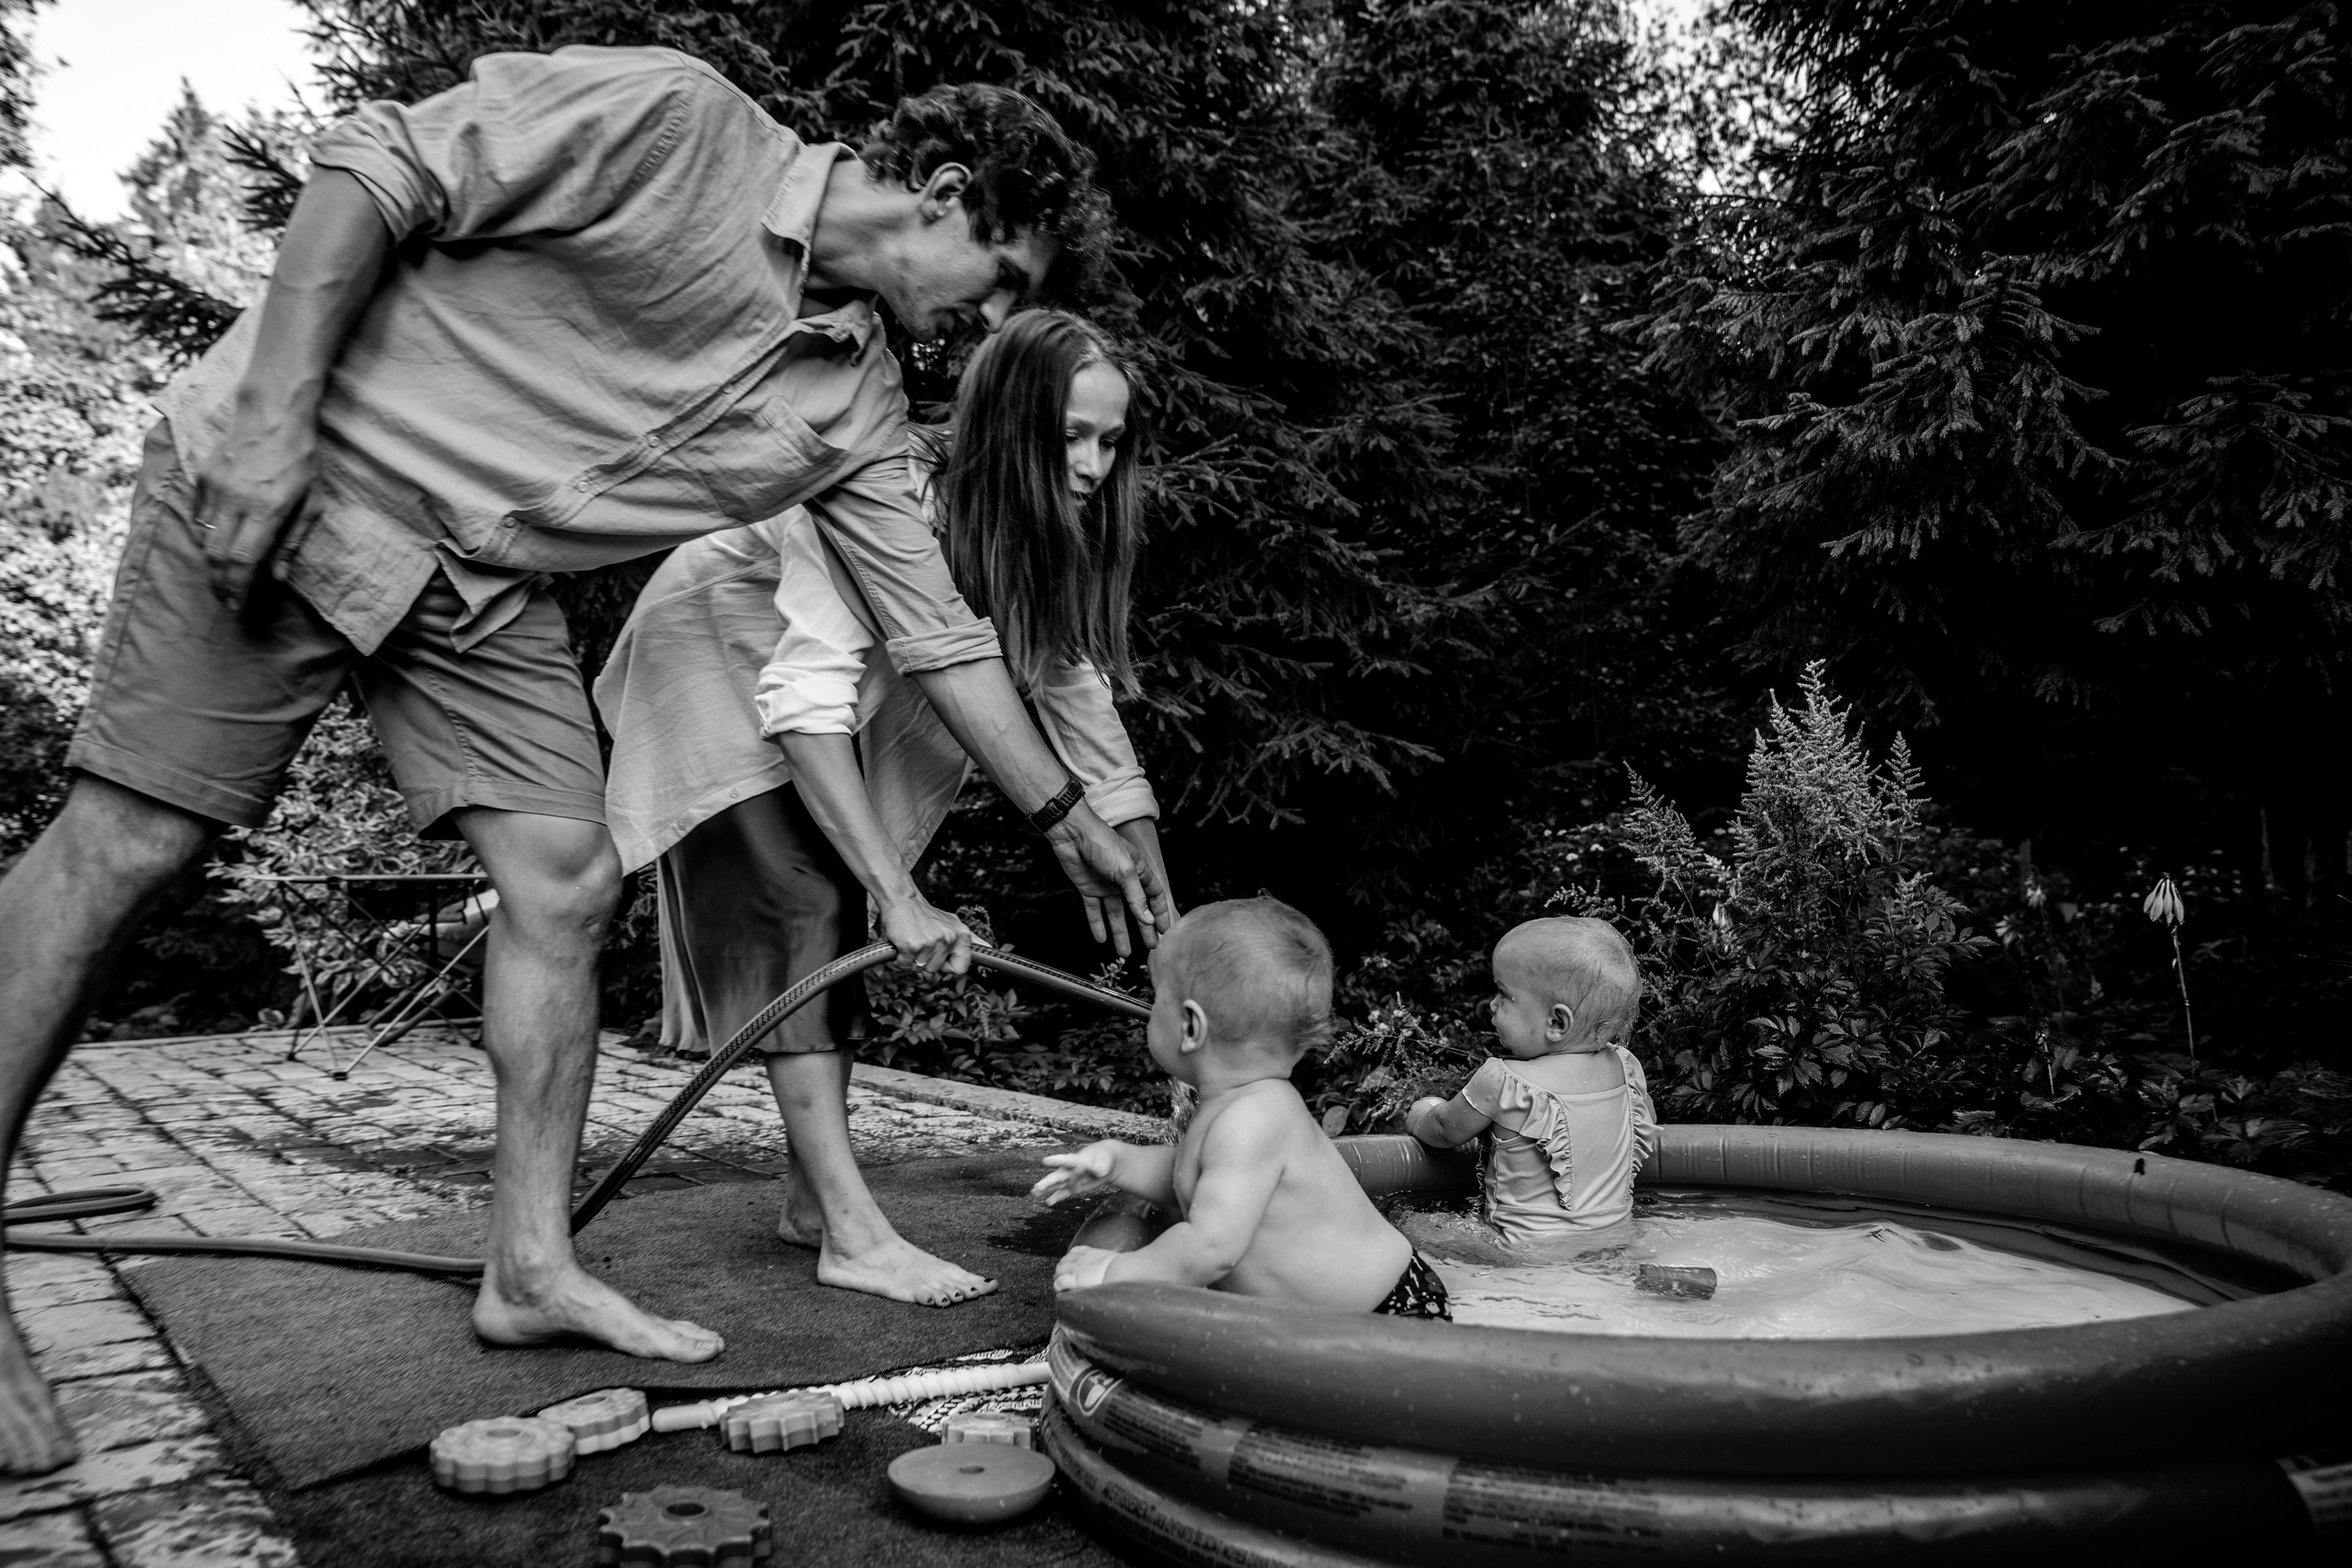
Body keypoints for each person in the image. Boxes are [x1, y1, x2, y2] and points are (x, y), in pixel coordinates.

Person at [0, 44, 1173, 1475]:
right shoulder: (682, 127)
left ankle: (529, 1266)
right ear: (942, 196)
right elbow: (382, 163)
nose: (988, 323)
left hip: (474, 588)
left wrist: (1067, 811)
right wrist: (270, 416)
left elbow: (938, 634)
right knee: (130, 845)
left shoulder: (856, 405)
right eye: (997, 285)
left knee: (566, 879)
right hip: (310, 474)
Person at [594, 309, 1167, 1308]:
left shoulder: (1035, 528)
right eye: (1069, 435)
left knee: (832, 908)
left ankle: (814, 1203)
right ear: (1005, 424)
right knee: (806, 902)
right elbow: (804, 700)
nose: (1090, 465)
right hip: (714, 657)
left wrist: (1146, 868)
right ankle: (851, 1236)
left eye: (1109, 442)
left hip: (799, 693)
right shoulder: (882, 488)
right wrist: (899, 892)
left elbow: (1072, 691)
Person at [1034, 898, 1447, 1320]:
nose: (1150, 1009)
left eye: (1157, 998)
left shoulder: (1251, 1121)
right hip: (1344, 1319)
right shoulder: (1240, 1103)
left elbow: (1211, 1248)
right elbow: (1191, 1177)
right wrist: (1118, 1162)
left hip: (1390, 1318)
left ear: (1191, 1028)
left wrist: (1116, 1269)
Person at [1404, 917, 1658, 1240]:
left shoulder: (1506, 1081)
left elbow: (1443, 1130)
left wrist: (1421, 1113)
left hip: (1523, 1257)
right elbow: (1645, 1123)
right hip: (1613, 1242)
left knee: (1413, 1229)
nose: (1492, 1004)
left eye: (1503, 993)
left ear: (1557, 1021)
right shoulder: (1626, 1068)